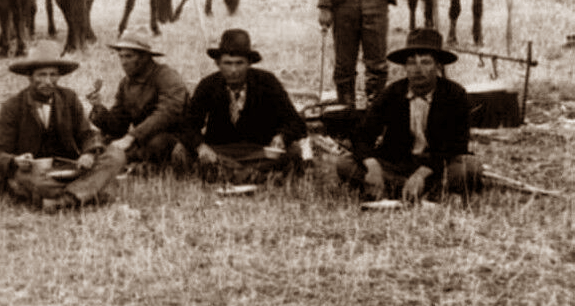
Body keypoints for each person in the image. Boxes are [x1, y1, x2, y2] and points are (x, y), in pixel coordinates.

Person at [335, 28, 484, 201]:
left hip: (437, 166)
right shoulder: (392, 93)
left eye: (425, 62)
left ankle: (401, 189)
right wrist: (373, 167)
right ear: (405, 66)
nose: (418, 69)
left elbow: (456, 146)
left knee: (469, 167)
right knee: (344, 163)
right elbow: (363, 135)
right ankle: (427, 192)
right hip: (398, 164)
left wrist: (421, 175)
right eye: (411, 62)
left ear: (438, 66)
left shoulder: (455, 95)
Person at [0, 41, 127, 212]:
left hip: (67, 169)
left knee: (116, 155)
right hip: (33, 173)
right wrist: (15, 161)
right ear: (29, 77)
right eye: (41, 75)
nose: (48, 81)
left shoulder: (69, 98)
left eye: (53, 75)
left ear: (59, 76)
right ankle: (89, 192)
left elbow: (86, 134)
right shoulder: (12, 106)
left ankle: (63, 201)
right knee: (105, 188)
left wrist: (88, 153)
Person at [181, 28, 308, 184]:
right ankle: (254, 177)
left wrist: (282, 136)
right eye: (228, 63)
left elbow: (296, 123)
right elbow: (188, 125)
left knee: (294, 151)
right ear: (218, 63)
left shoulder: (267, 82)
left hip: (259, 152)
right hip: (220, 152)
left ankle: (231, 176)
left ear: (249, 63)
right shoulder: (208, 85)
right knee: (180, 153)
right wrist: (201, 147)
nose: (234, 70)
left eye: (239, 63)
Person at [87, 32, 190, 168]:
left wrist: (132, 137)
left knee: (157, 144)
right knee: (100, 141)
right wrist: (99, 108)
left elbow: (167, 113)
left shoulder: (166, 75)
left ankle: (132, 162)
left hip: (174, 136)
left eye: (129, 56)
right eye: (121, 57)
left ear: (145, 57)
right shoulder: (126, 83)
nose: (123, 62)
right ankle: (129, 161)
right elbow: (119, 125)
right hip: (141, 138)